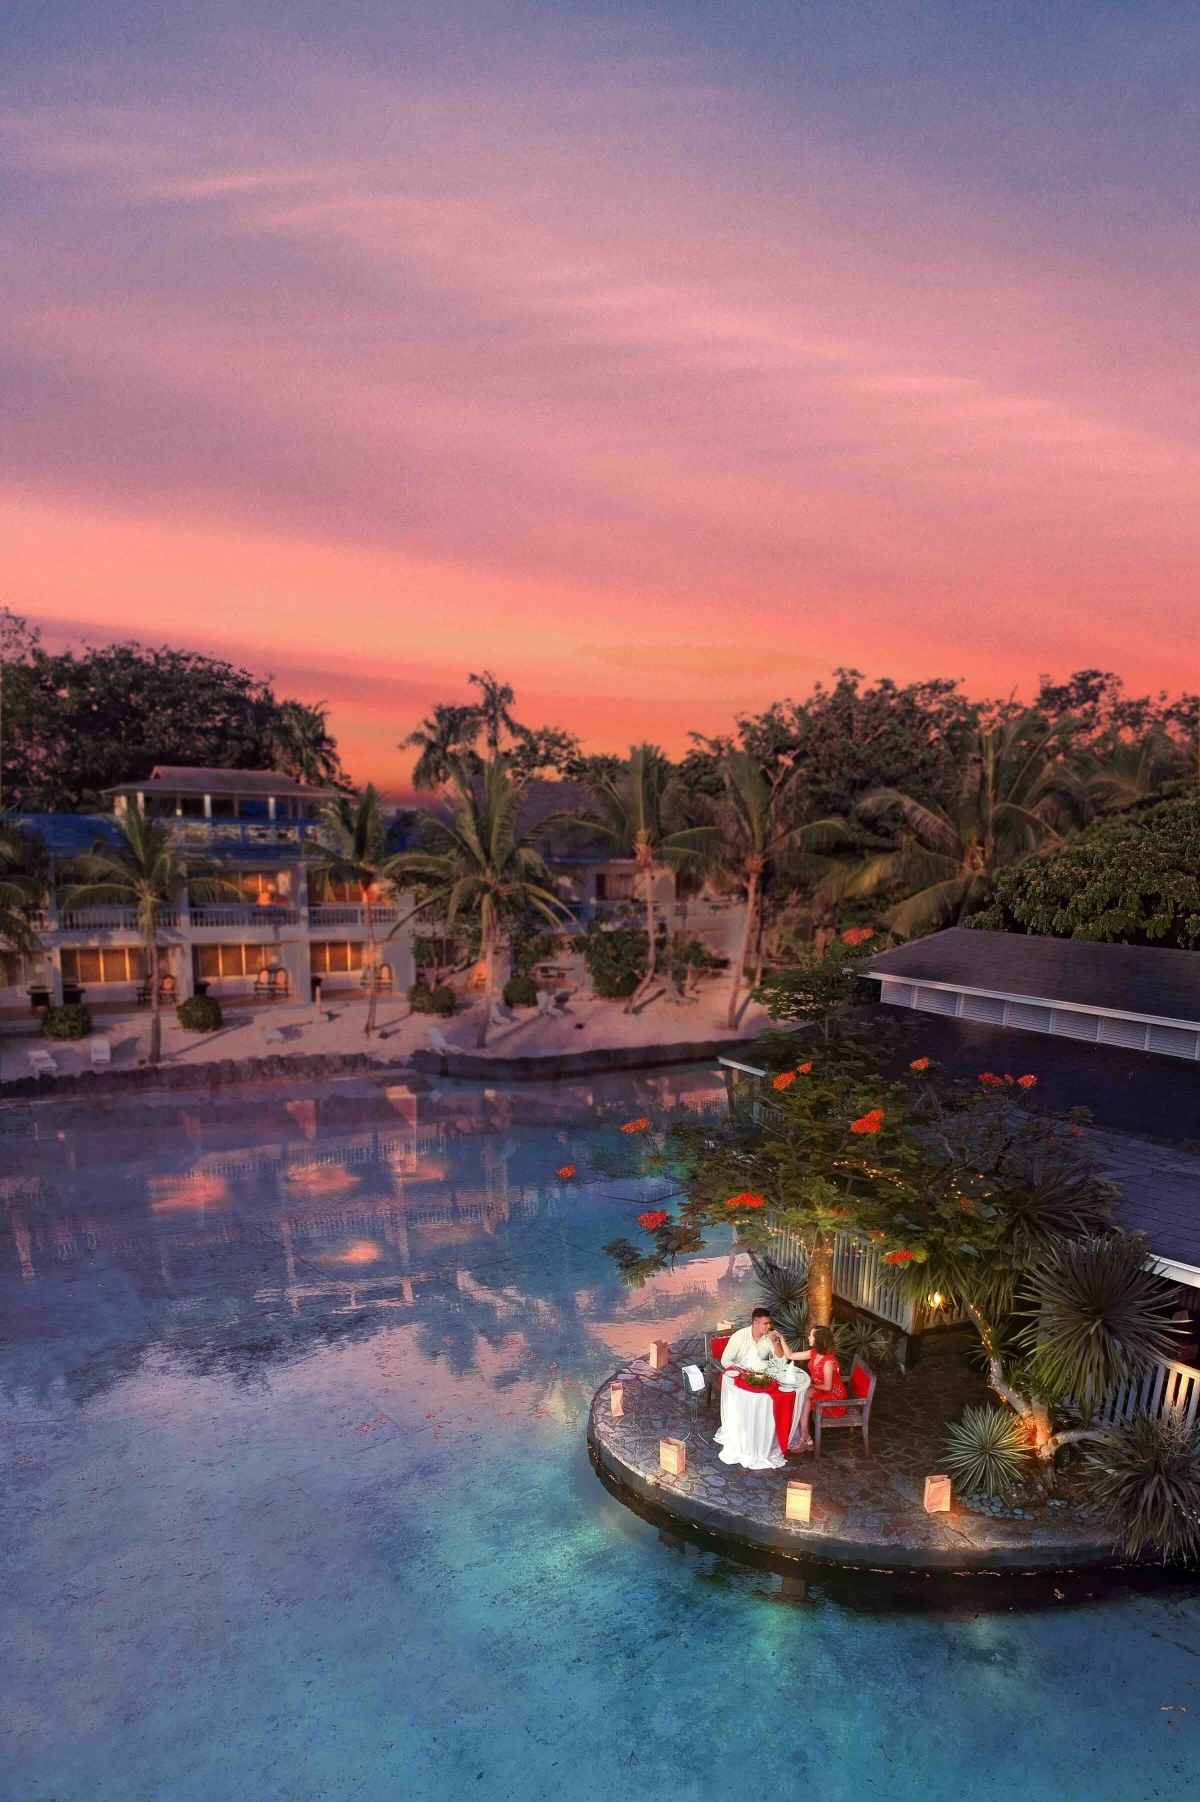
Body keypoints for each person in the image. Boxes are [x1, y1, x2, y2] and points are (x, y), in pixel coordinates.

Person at [719, 1307, 778, 1372]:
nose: (769, 1326)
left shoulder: (770, 1337)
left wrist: (775, 1342)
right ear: (755, 1323)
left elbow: (781, 1362)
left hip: (760, 1374)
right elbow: (725, 1361)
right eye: (765, 1323)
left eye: (770, 1323)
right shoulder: (738, 1336)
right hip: (738, 1374)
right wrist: (741, 1372)